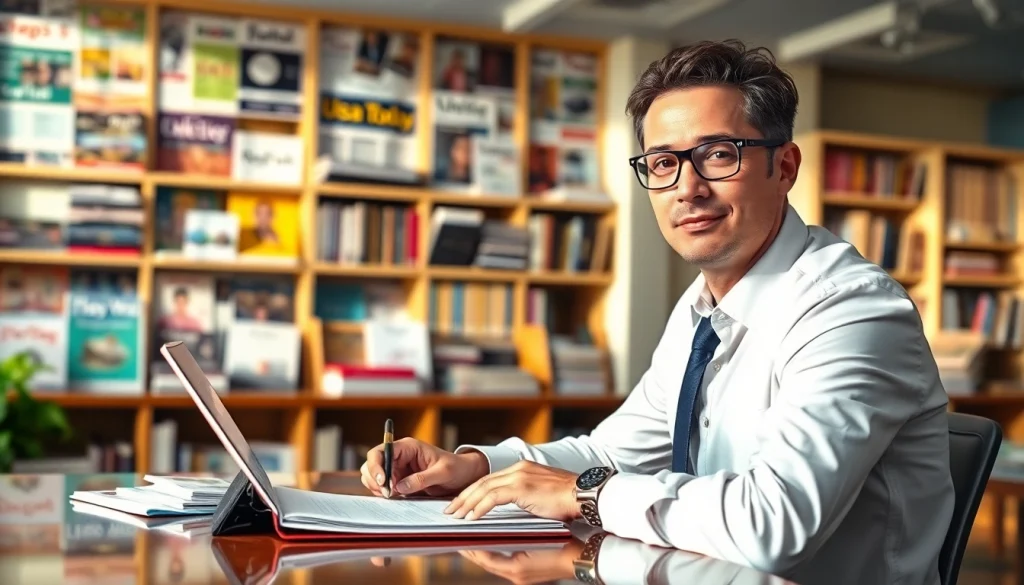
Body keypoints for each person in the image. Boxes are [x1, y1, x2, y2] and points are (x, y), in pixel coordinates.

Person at [360, 39, 954, 585]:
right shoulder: (701, 308)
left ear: (786, 167)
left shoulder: (852, 311)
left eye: (718, 155)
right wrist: (477, 467)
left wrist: (586, 496)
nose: (687, 188)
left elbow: (775, 525)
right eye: (663, 163)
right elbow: (610, 454)